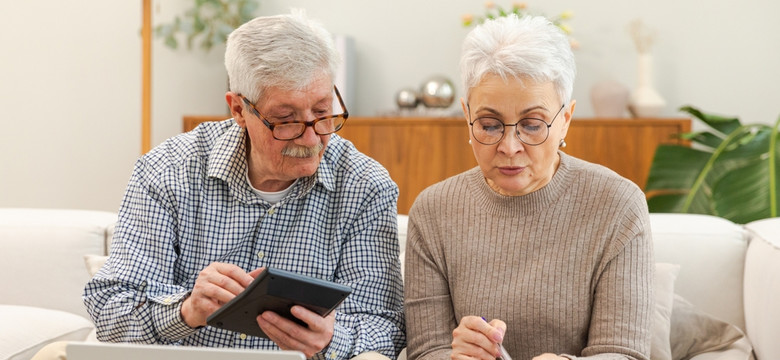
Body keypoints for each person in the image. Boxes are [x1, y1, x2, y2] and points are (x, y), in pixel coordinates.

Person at [83, 11, 405, 360]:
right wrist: (186, 310)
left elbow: (386, 327)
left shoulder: (364, 187)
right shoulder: (168, 172)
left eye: (323, 112)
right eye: (286, 120)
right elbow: (110, 309)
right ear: (238, 109)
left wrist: (330, 340)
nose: (311, 137)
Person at [404, 14, 654, 360]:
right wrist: (453, 356)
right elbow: (425, 349)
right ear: (466, 116)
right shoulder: (434, 211)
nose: (509, 146)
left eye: (532, 125)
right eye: (489, 126)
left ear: (565, 120)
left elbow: (623, 352)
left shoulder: (617, 203)